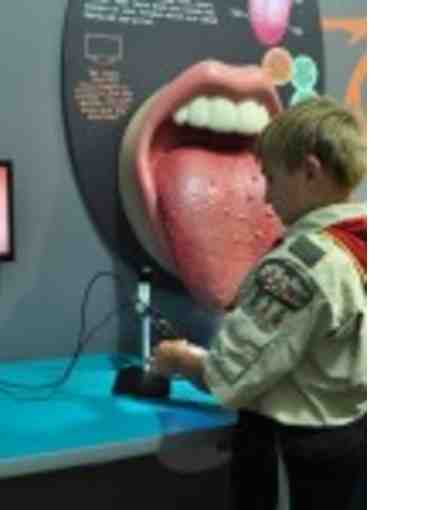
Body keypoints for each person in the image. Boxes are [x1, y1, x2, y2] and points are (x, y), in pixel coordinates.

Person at [151, 96, 366, 510]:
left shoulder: (300, 266)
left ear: (310, 170)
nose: (267, 198)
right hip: (351, 436)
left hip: (293, 453)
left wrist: (178, 358)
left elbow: (230, 375)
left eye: (271, 178)